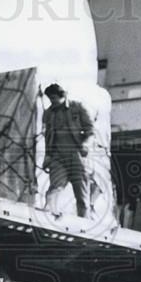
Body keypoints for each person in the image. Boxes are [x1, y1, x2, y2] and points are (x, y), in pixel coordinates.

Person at [42, 83, 94, 218]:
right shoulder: (48, 113)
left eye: (54, 98)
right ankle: (48, 214)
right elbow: (47, 136)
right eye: (50, 99)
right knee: (55, 185)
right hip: (58, 156)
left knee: (81, 192)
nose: (52, 101)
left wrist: (86, 145)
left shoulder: (77, 107)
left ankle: (85, 221)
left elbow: (90, 130)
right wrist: (47, 156)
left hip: (75, 154)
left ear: (62, 96)